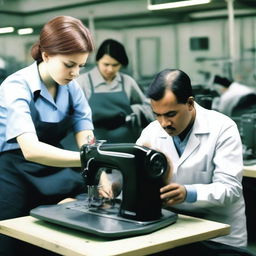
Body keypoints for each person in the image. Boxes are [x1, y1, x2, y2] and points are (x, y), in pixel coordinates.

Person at [0, 16, 95, 256]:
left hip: (53, 165)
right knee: (13, 238)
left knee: (61, 235)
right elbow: (30, 149)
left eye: (81, 66)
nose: (75, 73)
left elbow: (86, 137)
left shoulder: (72, 87)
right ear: (46, 56)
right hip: (12, 169)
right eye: (69, 64)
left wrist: (99, 171)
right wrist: (90, 160)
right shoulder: (15, 86)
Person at [136, 69, 252, 255]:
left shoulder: (223, 128)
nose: (164, 123)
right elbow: (134, 169)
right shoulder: (151, 132)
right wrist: (114, 183)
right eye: (157, 114)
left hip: (219, 235)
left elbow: (230, 189)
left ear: (190, 103)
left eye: (171, 114)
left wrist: (188, 193)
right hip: (172, 229)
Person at [76, 38, 154, 143]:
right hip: (95, 144)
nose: (110, 69)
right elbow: (72, 114)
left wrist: (134, 111)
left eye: (115, 65)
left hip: (127, 143)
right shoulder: (83, 82)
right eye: (106, 64)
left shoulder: (127, 82)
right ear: (97, 61)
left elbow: (149, 107)